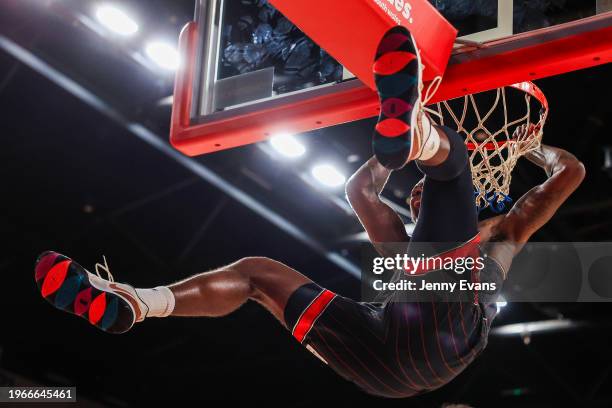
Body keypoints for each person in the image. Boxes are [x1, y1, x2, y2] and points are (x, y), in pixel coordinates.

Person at [34, 26, 585, 398]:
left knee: (450, 164)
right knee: (257, 274)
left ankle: (414, 130)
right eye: (415, 187)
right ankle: (138, 303)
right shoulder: (416, 245)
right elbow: (361, 192)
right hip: (393, 373)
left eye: (418, 187)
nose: (417, 196)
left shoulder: (496, 234)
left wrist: (529, 147)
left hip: (414, 353)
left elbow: (570, 172)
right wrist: (395, 148)